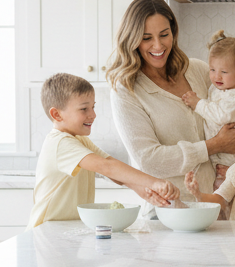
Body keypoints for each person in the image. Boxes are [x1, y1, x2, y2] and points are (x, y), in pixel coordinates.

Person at [107, 0, 235, 207]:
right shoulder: (126, 90)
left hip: (216, 204)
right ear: (132, 39)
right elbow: (149, 160)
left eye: (164, 34)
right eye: (147, 38)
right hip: (167, 211)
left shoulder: (198, 70)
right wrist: (214, 146)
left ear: (173, 31)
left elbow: (232, 118)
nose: (158, 45)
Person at [29, 72, 178, 227]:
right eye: (84, 109)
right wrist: (155, 183)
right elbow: (107, 167)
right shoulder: (60, 143)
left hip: (64, 230)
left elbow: (110, 166)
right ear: (56, 114)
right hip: (45, 232)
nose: (92, 114)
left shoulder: (80, 141)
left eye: (92, 107)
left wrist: (141, 189)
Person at [181, 30, 235, 179]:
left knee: (226, 187)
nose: (216, 76)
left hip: (232, 158)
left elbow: (220, 116)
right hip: (218, 155)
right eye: (212, 69)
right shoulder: (221, 87)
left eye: (224, 71)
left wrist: (198, 104)